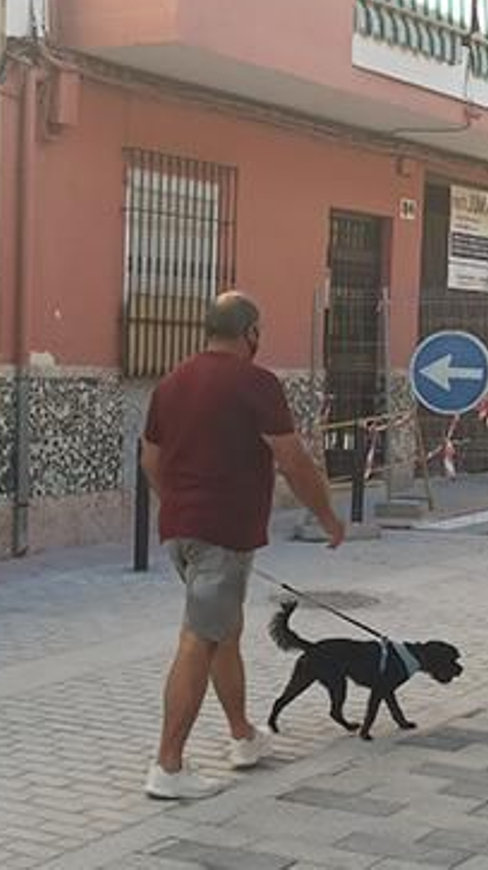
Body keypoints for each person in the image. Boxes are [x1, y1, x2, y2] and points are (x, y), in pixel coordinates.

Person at [140, 291, 347, 800]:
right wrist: (327, 517)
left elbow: (150, 458)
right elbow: (293, 460)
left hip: (180, 532)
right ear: (250, 332)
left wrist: (179, 505)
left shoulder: (172, 382)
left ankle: (243, 737)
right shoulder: (257, 384)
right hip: (223, 535)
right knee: (199, 638)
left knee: (222, 631)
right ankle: (168, 767)